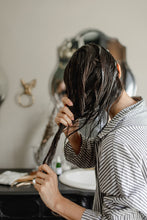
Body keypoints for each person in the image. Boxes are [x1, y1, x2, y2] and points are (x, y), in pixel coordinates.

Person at [34, 43, 147, 219]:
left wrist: (57, 201)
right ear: (118, 69)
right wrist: (74, 136)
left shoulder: (118, 141)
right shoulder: (138, 116)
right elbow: (100, 157)